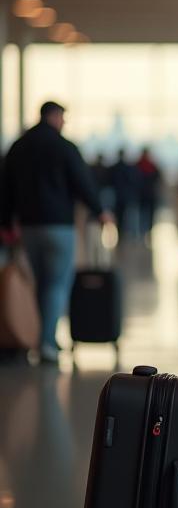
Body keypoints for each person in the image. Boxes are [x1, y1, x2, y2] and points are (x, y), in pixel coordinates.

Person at [0, 101, 113, 363]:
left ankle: (39, 335)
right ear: (55, 116)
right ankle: (47, 343)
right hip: (59, 226)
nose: (64, 123)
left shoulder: (18, 147)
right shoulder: (63, 147)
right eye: (63, 118)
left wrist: (7, 222)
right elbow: (82, 181)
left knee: (40, 282)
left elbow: (6, 188)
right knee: (57, 283)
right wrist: (100, 211)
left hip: (28, 226)